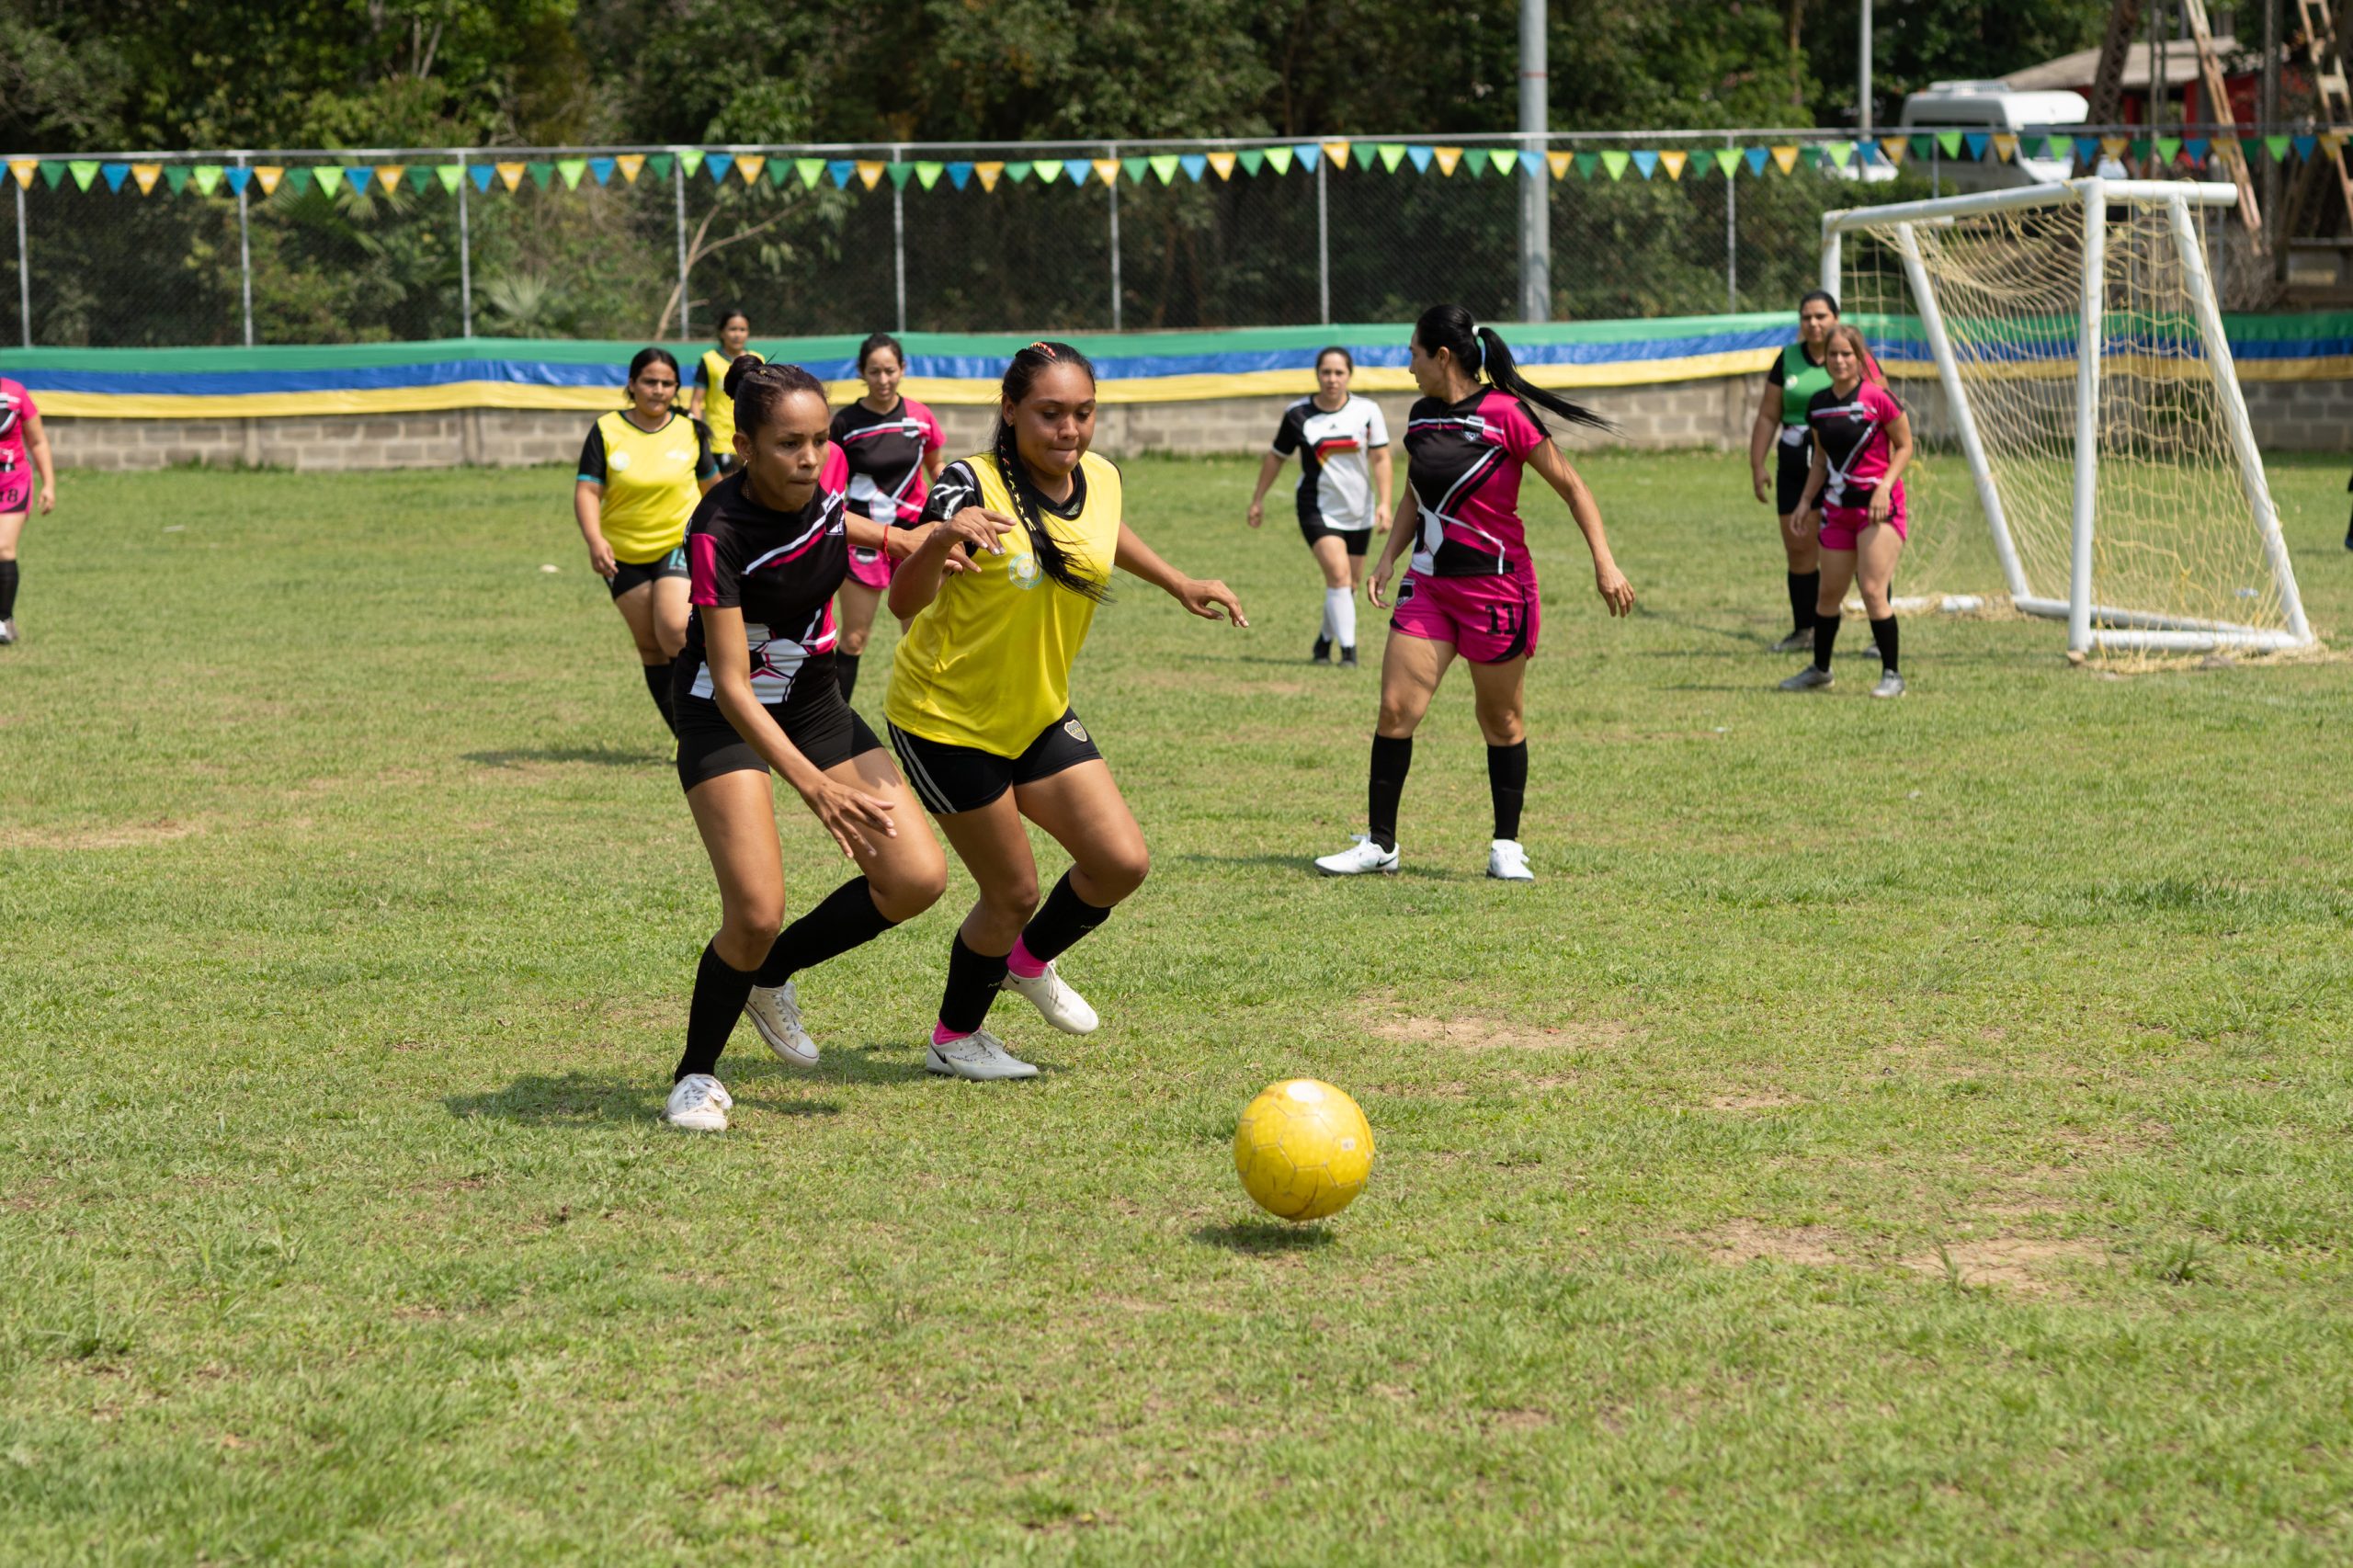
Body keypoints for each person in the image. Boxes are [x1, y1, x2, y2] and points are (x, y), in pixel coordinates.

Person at [885, 341, 1245, 1081]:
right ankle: (954, 1039)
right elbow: (903, 600)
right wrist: (945, 538)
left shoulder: (1101, 476)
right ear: (1011, 411)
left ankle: (1028, 962)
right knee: (1012, 890)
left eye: (1083, 413)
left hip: (1037, 711)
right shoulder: (967, 484)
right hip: (946, 719)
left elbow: (1103, 532)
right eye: (1050, 414)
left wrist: (1178, 580)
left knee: (1119, 862)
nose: (1069, 430)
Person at [663, 358, 949, 1133]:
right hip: (725, 717)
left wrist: (902, 537)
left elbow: (831, 521)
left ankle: (772, 975)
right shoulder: (718, 529)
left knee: (917, 878)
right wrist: (812, 787)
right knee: (754, 911)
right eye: (789, 443)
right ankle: (696, 1076)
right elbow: (729, 683)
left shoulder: (813, 490)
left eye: (820, 440)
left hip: (815, 704)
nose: (811, 457)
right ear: (745, 445)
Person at [1313, 305, 1635, 883]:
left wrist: (1604, 563)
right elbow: (1415, 493)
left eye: (1413, 353)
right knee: (1394, 711)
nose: (1407, 365)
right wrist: (1389, 557)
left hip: (1497, 589)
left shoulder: (1507, 415)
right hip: (1430, 586)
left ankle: (1506, 845)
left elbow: (1573, 487)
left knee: (1502, 720)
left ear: (1442, 357)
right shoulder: (1419, 417)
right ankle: (1381, 842)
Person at [574, 347, 718, 734]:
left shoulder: (689, 431)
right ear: (632, 384)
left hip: (677, 545)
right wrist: (594, 540)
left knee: (673, 629)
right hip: (621, 554)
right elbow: (588, 491)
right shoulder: (606, 430)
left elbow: (714, 491)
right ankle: (686, 735)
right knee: (650, 646)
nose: (657, 390)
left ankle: (711, 723)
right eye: (649, 381)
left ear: (676, 388)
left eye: (666, 383)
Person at [1779, 323, 1913, 699]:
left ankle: (1892, 675)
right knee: (1827, 595)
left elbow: (1904, 446)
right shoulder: (1819, 404)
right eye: (1834, 354)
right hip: (1837, 509)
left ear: (1860, 357)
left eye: (1847, 354)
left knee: (1872, 591)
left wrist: (1884, 488)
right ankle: (1820, 670)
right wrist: (1806, 501)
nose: (1839, 360)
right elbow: (1820, 460)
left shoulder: (1879, 397)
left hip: (1879, 510)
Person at [1245, 347, 1392, 666]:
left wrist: (1384, 503)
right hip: (1316, 508)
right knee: (1339, 576)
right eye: (1326, 372)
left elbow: (1380, 458)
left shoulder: (1368, 411)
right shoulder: (1298, 414)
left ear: (1349, 375)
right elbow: (1276, 457)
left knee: (1350, 584)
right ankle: (1349, 653)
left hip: (1359, 509)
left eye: (1339, 373)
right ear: (1317, 374)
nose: (1332, 379)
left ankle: (1323, 642)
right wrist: (1258, 499)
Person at [828, 332, 945, 701]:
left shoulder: (920, 416)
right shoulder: (844, 423)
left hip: (916, 539)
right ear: (862, 372)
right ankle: (832, 719)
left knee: (917, 637)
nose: (883, 380)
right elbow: (831, 480)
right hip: (864, 539)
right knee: (854, 638)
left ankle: (925, 719)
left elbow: (935, 465)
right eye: (874, 372)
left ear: (902, 370)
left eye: (890, 371)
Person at [1747, 290, 1841, 654]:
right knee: (1799, 548)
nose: (1813, 323)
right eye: (1807, 317)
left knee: (1857, 550)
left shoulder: (1851, 356)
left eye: (1821, 316)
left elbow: (1880, 407)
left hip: (1840, 471)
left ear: (1836, 318)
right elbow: (1769, 414)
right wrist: (1757, 464)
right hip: (1793, 469)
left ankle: (1878, 631)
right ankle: (1805, 630)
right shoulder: (1787, 359)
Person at [0, 376, 55, 646]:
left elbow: (38, 441)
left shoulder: (15, 393)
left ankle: (4, 620)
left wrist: (49, 485)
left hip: (13, 479)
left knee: (3, 547)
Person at [688, 310, 761, 476]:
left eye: (742, 330)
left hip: (751, 437)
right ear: (722, 332)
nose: (737, 334)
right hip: (719, 440)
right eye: (732, 329)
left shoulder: (756, 360)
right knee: (727, 492)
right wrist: (699, 433)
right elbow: (696, 401)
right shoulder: (709, 360)